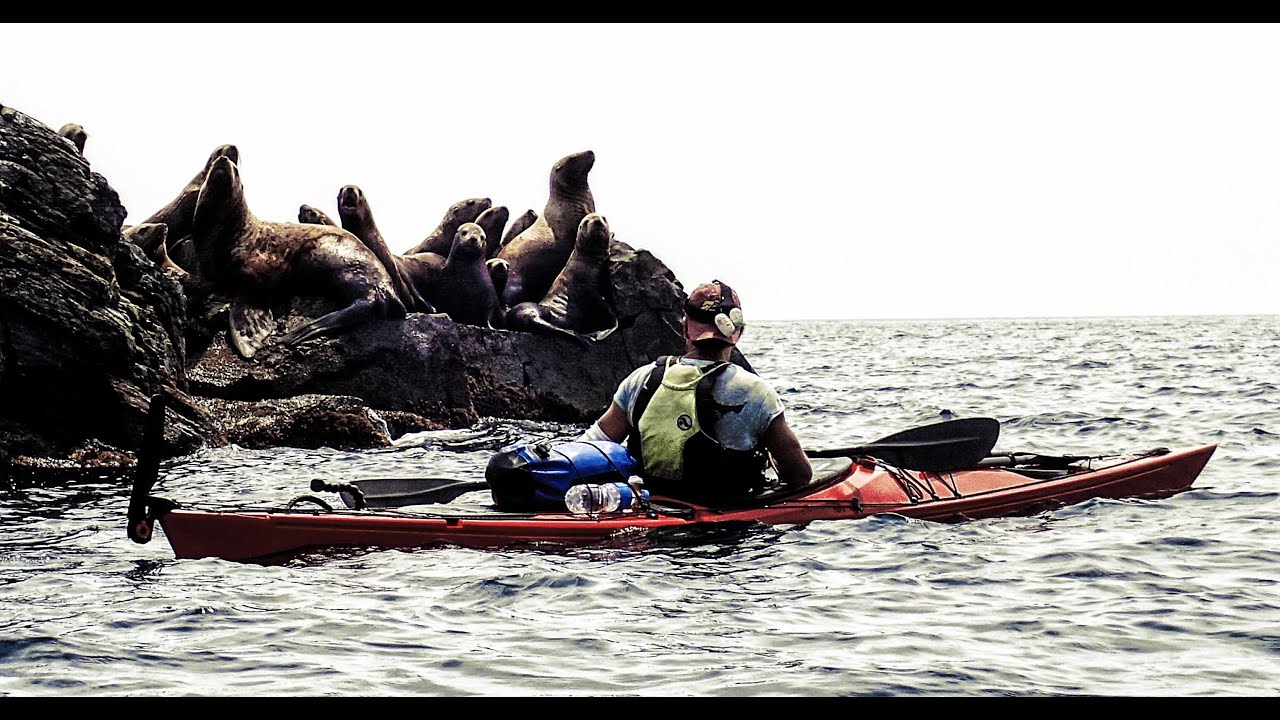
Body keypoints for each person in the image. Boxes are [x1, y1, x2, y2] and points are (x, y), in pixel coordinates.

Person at [577, 279, 812, 503]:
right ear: (737, 333)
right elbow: (800, 476)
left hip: (650, 514)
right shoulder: (757, 392)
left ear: (685, 329)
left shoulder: (641, 379)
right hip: (728, 532)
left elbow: (592, 447)